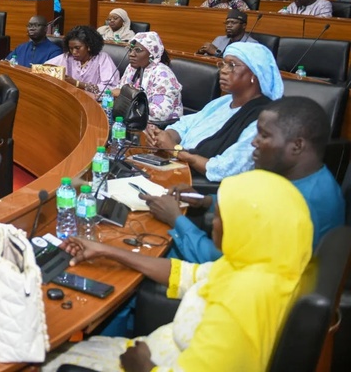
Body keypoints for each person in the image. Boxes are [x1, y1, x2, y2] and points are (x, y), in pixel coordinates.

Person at [43, 170, 312, 372]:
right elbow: (184, 274)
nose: (212, 223)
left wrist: (142, 366)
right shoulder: (261, 265)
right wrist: (106, 251)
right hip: (152, 352)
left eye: (219, 216)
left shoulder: (242, 305)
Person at [143, 97, 344, 264]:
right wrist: (206, 201)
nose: (254, 142)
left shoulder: (296, 207)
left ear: (297, 146)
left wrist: (175, 219)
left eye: (264, 136)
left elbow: (220, 261)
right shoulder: (301, 177)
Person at [146, 42, 283, 181]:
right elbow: (185, 124)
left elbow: (228, 168)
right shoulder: (223, 101)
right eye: (223, 64)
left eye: (232, 65)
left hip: (200, 185)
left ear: (255, 74)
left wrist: (176, 151)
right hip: (174, 164)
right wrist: (164, 136)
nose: (223, 70)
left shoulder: (262, 118)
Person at [114, 32, 183, 124]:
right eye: (130, 49)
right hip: (131, 118)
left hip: (158, 126)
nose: (131, 54)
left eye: (138, 50)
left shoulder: (163, 74)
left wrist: (129, 99)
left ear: (152, 54)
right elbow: (119, 91)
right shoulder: (131, 68)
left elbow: (161, 113)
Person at [45, 25, 120, 97]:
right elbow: (45, 66)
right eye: (71, 48)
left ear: (89, 46)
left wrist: (77, 84)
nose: (74, 52)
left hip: (95, 103)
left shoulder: (102, 58)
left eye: (77, 48)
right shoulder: (67, 57)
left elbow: (109, 89)